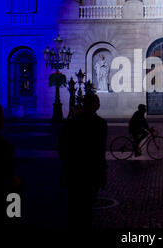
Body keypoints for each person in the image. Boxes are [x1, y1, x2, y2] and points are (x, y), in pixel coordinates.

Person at [58, 93, 108, 227]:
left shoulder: (72, 123)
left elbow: (62, 148)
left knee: (75, 207)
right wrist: (102, 174)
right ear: (97, 106)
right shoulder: (101, 124)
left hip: (74, 171)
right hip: (91, 172)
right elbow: (100, 151)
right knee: (87, 208)